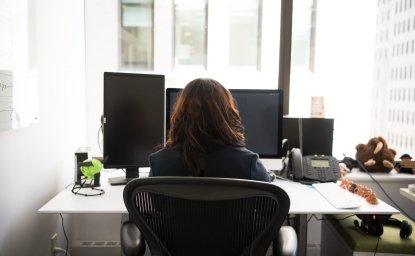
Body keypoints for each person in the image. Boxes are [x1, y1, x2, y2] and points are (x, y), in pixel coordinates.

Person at [148, 78, 271, 182]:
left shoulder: (159, 163)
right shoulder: (249, 164)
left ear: (180, 114)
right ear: (226, 114)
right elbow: (270, 207)